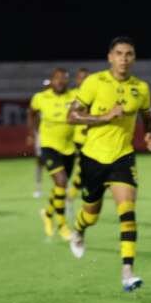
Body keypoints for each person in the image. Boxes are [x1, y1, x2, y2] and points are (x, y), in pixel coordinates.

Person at [68, 36, 151, 292]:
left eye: (129, 54)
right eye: (119, 53)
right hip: (93, 158)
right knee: (91, 215)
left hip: (122, 157)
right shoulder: (94, 82)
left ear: (134, 58)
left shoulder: (141, 88)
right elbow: (72, 117)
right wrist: (105, 116)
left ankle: (127, 271)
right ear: (110, 57)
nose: (124, 59)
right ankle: (79, 228)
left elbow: (149, 118)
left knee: (127, 211)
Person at [27, 68, 77, 240]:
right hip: (49, 147)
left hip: (69, 148)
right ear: (51, 80)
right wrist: (32, 133)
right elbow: (31, 113)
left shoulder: (74, 96)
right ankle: (62, 225)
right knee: (62, 181)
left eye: (63, 79)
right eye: (57, 79)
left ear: (67, 81)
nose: (60, 82)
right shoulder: (40, 97)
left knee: (59, 187)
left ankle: (47, 214)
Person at [67, 67, 90, 203]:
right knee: (82, 168)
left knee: (87, 168)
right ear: (77, 79)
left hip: (93, 138)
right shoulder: (71, 95)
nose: (85, 80)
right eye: (82, 77)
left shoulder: (95, 94)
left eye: (87, 77)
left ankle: (70, 195)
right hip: (77, 139)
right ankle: (69, 196)